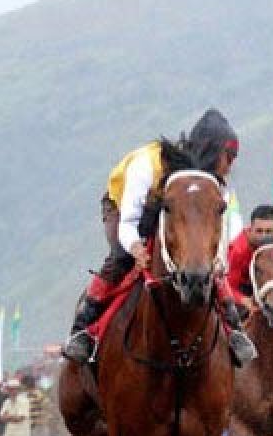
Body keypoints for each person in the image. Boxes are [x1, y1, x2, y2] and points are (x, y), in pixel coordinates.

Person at [62, 109, 257, 366]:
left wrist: (219, 259)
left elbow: (219, 229)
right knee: (121, 257)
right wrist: (135, 247)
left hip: (172, 212)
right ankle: (84, 328)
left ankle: (234, 330)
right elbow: (130, 220)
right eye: (229, 156)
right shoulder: (148, 164)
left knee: (202, 263)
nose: (231, 165)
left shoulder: (211, 186)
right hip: (124, 209)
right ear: (210, 150)